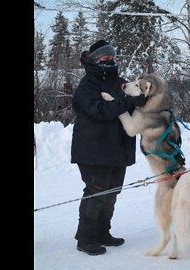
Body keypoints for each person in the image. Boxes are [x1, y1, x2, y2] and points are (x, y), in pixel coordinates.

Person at [70, 40, 147, 256]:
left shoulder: (119, 82)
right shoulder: (87, 86)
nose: (109, 60)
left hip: (117, 149)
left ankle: (102, 232)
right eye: (104, 57)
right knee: (97, 193)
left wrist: (143, 99)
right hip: (93, 150)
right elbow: (101, 111)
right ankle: (86, 238)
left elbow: (133, 97)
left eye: (111, 57)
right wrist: (128, 101)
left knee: (111, 193)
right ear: (94, 59)